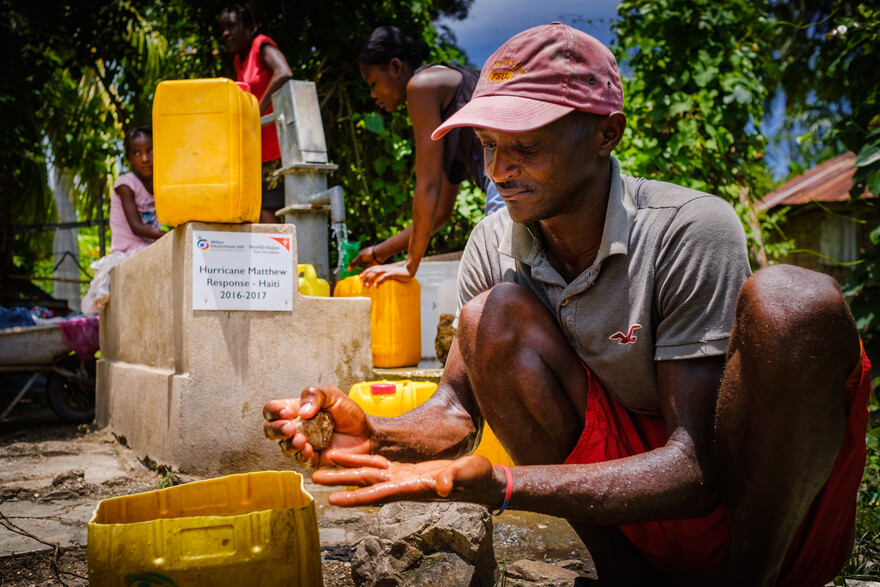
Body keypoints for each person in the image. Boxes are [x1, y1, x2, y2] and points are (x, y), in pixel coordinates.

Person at [263, 23, 871, 587]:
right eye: (487, 145)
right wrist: (376, 433)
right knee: (489, 316)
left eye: (525, 144)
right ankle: (626, 577)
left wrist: (503, 484)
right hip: (629, 506)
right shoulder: (494, 244)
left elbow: (697, 471)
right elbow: (455, 413)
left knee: (794, 303)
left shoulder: (689, 230)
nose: (499, 169)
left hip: (756, 516)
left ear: (606, 133)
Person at [349, 26, 504, 286]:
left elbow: (428, 186)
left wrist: (410, 266)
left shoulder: (421, 85)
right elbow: (440, 213)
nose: (373, 95)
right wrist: (379, 253)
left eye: (373, 83)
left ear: (395, 67)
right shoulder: (452, 116)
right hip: (528, 176)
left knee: (502, 283)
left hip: (507, 180)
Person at [219, 3, 292, 224]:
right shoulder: (238, 61)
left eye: (231, 26)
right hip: (255, 152)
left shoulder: (261, 45)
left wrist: (255, 111)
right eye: (223, 28)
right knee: (258, 213)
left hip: (277, 150)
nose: (226, 33)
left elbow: (284, 73)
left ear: (249, 28)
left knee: (270, 215)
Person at [109, 125, 164, 255]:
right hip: (127, 250)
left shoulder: (160, 184)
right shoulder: (126, 185)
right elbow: (137, 227)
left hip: (150, 246)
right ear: (129, 158)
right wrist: (170, 236)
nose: (145, 159)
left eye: (150, 151)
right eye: (137, 153)